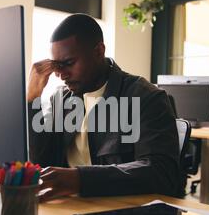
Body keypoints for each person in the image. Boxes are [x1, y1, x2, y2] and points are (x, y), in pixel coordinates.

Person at [27, 14, 180, 202]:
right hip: (70, 206)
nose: (62, 75)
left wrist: (80, 179)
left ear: (99, 51)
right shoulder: (61, 99)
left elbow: (161, 173)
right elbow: (41, 163)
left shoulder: (145, 97)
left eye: (69, 63)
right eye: (57, 66)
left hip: (123, 212)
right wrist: (33, 100)